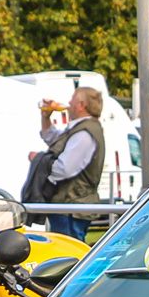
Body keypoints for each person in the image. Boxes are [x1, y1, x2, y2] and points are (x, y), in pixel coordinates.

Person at [30, 86, 106, 240]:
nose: (68, 104)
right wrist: (46, 117)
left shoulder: (85, 133)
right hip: (69, 205)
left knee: (69, 255)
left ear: (81, 105)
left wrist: (38, 159)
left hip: (72, 206)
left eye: (72, 100)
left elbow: (64, 168)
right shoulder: (79, 129)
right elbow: (53, 138)